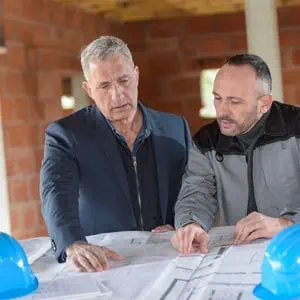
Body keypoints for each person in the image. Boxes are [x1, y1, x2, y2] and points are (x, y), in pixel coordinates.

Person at [40, 36, 191, 272]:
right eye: (104, 86)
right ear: (89, 89)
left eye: (123, 80)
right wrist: (72, 243)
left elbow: (194, 188)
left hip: (171, 256)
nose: (118, 94)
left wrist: (183, 223)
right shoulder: (66, 135)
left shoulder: (175, 127)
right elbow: (55, 193)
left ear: (137, 75)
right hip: (106, 264)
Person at [171, 54, 299, 256]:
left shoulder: (297, 128)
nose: (222, 111)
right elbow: (196, 192)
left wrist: (285, 224)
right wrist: (191, 223)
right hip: (237, 257)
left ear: (264, 104)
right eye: (217, 98)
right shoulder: (205, 142)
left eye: (235, 102)